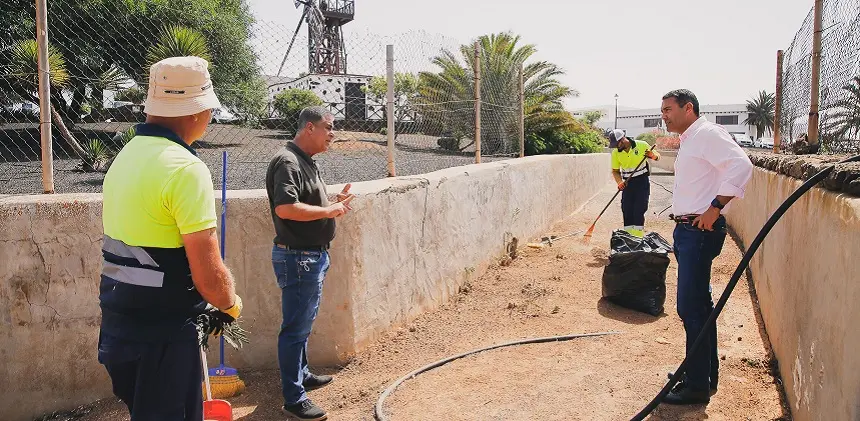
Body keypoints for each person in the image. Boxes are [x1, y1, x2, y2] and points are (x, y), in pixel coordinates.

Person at [97, 56, 242, 420]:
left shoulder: (125, 156)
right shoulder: (185, 168)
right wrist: (229, 303)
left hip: (118, 330)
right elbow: (208, 277)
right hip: (162, 339)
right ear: (196, 113)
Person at [660, 89, 753, 405]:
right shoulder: (691, 139)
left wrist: (716, 206)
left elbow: (742, 165)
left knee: (690, 307)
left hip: (699, 232)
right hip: (688, 230)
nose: (664, 115)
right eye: (662, 110)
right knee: (700, 306)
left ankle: (697, 386)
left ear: (688, 108)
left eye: (669, 109)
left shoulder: (707, 134)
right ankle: (703, 374)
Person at [265, 106, 354, 420]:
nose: (333, 134)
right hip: (299, 258)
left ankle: (301, 375)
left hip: (310, 255)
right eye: (328, 127)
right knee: (294, 329)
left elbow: (305, 204)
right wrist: (329, 212)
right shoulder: (287, 162)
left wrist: (332, 203)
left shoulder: (305, 162)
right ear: (309, 128)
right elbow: (286, 209)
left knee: (300, 326)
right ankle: (293, 398)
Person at [608, 128, 660, 237]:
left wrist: (652, 155)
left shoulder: (642, 145)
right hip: (627, 184)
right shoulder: (616, 153)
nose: (615, 147)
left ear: (622, 140)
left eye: (616, 144)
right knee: (627, 209)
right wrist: (619, 182)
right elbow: (616, 171)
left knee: (639, 210)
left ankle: (637, 237)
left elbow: (657, 157)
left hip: (642, 182)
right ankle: (628, 237)